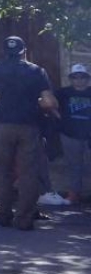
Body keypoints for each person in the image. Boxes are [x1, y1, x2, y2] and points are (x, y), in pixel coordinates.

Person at [0, 36, 58, 230]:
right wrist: (41, 105)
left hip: (2, 127)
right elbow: (48, 101)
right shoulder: (36, 71)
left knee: (3, 172)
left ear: (4, 51)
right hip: (28, 127)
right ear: (24, 51)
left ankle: (3, 216)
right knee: (27, 174)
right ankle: (23, 219)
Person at [56, 64, 91, 204]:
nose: (79, 80)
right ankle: (74, 194)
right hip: (69, 134)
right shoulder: (63, 93)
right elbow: (49, 103)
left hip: (89, 135)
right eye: (75, 77)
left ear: (87, 79)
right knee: (74, 165)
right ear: (71, 79)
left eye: (82, 77)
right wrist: (59, 118)